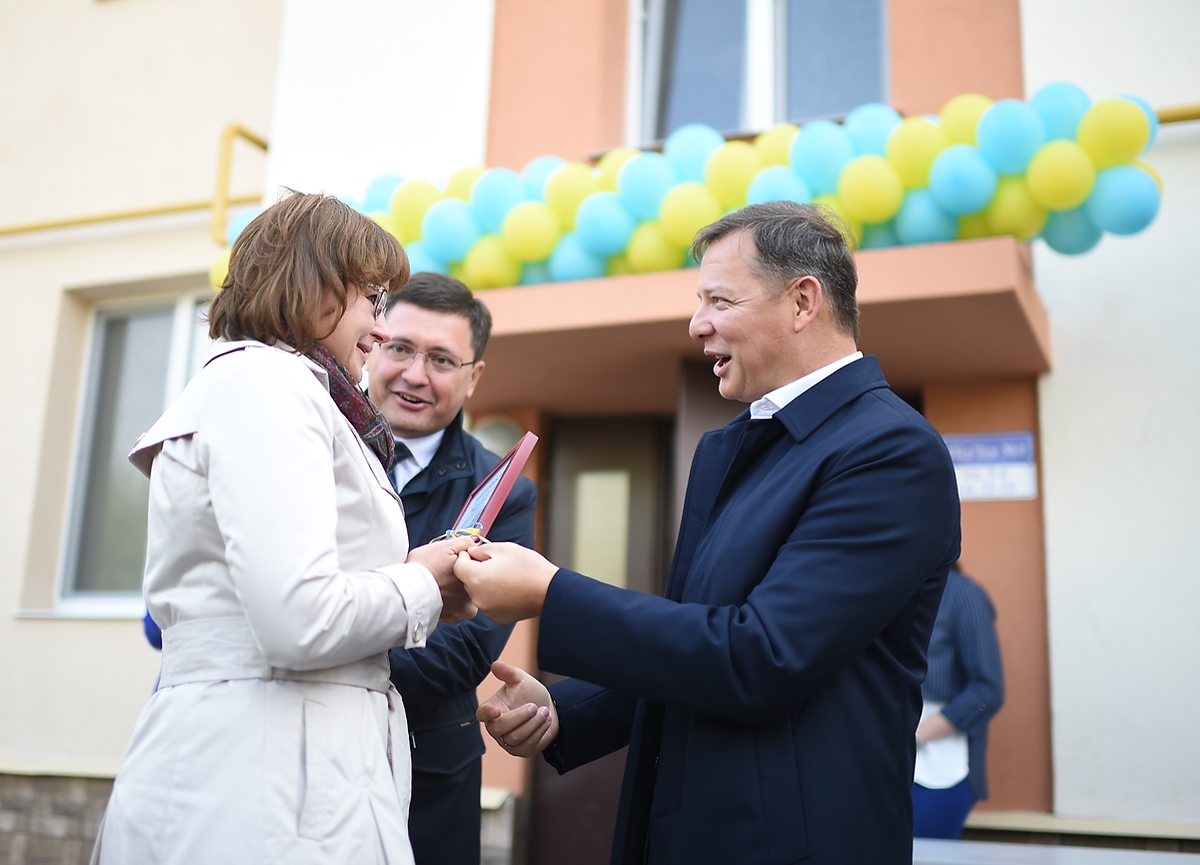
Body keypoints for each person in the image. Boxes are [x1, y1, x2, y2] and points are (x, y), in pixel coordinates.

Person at [454, 202, 962, 865]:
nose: (697, 324)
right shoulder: (733, 447)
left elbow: (761, 657)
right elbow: (697, 642)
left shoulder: (891, 451)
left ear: (802, 301)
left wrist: (551, 592)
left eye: (718, 300)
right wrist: (561, 709)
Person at [91, 192, 476, 865]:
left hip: (281, 764)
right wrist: (422, 582)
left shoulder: (281, 388)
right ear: (316, 285)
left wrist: (420, 581)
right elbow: (299, 617)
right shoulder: (266, 384)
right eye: (372, 299)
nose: (380, 326)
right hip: (258, 779)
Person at [365, 273, 537, 865]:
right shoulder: (316, 450)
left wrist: (318, 641)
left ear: (474, 376)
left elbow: (466, 650)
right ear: (373, 345)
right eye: (400, 348)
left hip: (427, 775)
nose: (415, 375)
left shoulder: (504, 492)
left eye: (441, 359)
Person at [913, 564, 1004, 839]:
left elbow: (987, 690)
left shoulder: (962, 593)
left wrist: (915, 736)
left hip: (939, 765)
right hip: (879, 760)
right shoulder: (884, 589)